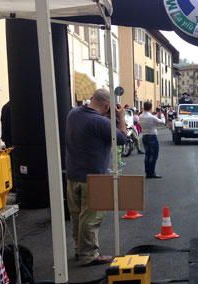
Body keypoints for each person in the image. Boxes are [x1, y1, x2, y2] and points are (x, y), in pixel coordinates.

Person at [65, 88, 127, 266]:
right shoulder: (99, 122)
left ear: (91, 98)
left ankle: (79, 249)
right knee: (91, 218)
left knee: (77, 216)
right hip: (95, 177)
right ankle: (89, 255)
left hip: (72, 174)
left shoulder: (73, 113)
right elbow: (122, 138)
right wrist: (120, 117)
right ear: (108, 106)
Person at [138, 102, 166, 178]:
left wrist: (157, 114)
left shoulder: (141, 116)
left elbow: (152, 118)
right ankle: (152, 172)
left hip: (144, 136)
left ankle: (147, 172)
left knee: (147, 155)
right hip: (152, 136)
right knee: (154, 156)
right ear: (150, 108)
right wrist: (162, 114)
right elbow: (162, 122)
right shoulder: (151, 117)